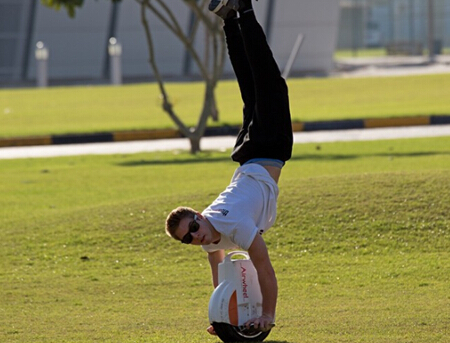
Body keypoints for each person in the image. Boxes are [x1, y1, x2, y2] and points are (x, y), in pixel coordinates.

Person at [165, 0, 293, 335]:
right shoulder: (210, 240)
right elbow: (220, 277)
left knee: (267, 79)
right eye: (188, 238)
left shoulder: (231, 223)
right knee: (251, 86)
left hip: (268, 148)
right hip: (248, 155)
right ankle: (228, 19)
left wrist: (268, 316)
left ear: (198, 214)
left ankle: (244, 10)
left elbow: (263, 267)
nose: (195, 236)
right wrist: (219, 314)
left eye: (193, 226)